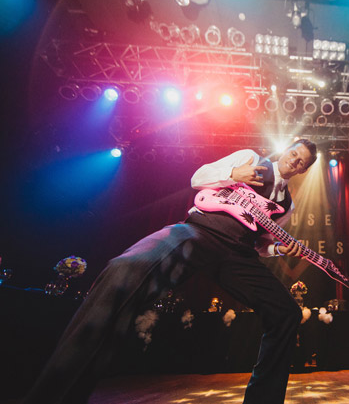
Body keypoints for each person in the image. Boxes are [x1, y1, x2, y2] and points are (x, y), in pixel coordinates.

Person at [24, 139, 318, 404]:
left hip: (238, 255)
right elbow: (197, 178)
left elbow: (259, 245)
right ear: (286, 149)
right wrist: (233, 175)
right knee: (124, 269)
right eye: (294, 153)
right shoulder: (251, 158)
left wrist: (278, 249)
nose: (294, 160)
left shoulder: (287, 205)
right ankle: (54, 394)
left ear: (303, 170)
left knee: (287, 314)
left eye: (301, 161)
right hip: (201, 232)